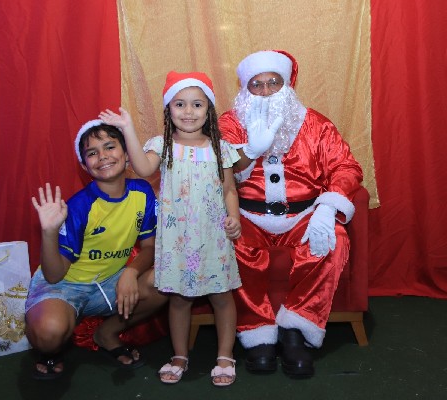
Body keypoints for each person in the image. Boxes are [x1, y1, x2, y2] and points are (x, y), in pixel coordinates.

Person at [218, 50, 364, 378]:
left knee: (333, 240)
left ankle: (296, 328)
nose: (267, 91)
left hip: (302, 216)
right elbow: (214, 167)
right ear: (245, 89)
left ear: (288, 85)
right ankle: (257, 333)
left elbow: (346, 165)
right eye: (258, 85)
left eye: (274, 82)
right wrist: (249, 153)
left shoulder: (316, 124)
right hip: (248, 217)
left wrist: (328, 206)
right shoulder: (230, 123)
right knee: (233, 246)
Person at [99, 71, 242, 387]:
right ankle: (180, 355)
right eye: (180, 104)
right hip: (177, 241)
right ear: (169, 109)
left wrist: (234, 218)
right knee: (179, 299)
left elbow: (229, 189)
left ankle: (225, 355)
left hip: (214, 236)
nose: (188, 112)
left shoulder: (221, 148)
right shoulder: (161, 145)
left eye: (196, 104)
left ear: (209, 110)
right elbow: (143, 167)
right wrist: (127, 130)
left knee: (221, 295)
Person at [25, 121, 168, 380]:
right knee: (49, 333)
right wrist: (48, 233)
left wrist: (130, 273)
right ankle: (51, 349)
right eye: (92, 153)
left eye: (110, 147)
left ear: (126, 155)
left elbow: (149, 247)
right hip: (64, 285)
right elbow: (55, 274)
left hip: (109, 282)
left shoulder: (143, 192)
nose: (102, 156)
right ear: (84, 166)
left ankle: (106, 333)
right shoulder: (80, 206)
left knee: (168, 280)